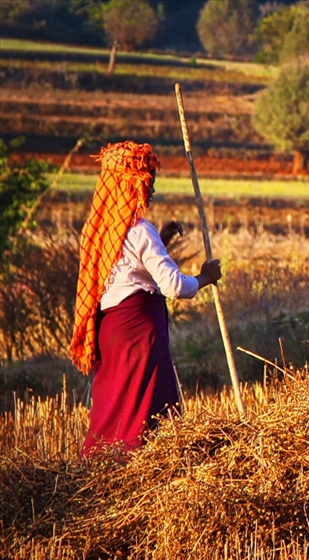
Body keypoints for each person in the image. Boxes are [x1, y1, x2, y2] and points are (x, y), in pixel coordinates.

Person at [70, 141, 221, 457]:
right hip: (140, 333)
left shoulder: (97, 232)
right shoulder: (140, 231)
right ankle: (143, 459)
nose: (151, 192)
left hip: (110, 331)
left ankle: (103, 457)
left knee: (115, 399)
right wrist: (205, 278)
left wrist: (162, 241)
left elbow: (125, 268)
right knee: (146, 404)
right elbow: (174, 286)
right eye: (147, 185)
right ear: (130, 186)